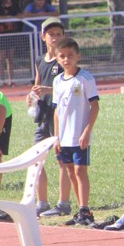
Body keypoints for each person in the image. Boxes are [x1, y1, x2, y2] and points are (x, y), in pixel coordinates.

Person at [51, 38, 100, 227]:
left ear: (78, 56)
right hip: (63, 137)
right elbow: (56, 111)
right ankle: (81, 210)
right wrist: (56, 136)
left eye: (70, 55)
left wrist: (87, 131)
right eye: (62, 56)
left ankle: (85, 209)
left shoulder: (85, 78)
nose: (66, 59)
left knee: (80, 171)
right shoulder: (57, 81)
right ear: (57, 59)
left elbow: (94, 106)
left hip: (79, 134)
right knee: (70, 171)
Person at [31, 18, 72, 217]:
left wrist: (48, 90)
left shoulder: (64, 59)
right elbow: (37, 85)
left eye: (58, 33)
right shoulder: (40, 60)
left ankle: (64, 202)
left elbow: (68, 83)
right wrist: (33, 96)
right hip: (43, 115)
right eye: (50, 34)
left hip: (58, 116)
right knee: (35, 158)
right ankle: (42, 202)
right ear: (43, 37)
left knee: (61, 159)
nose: (54, 37)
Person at [0, 0, 22, 86]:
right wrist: (8, 18)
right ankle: (3, 81)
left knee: (10, 59)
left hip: (10, 36)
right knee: (1, 59)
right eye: (6, 2)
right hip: (1, 36)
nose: (8, 4)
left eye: (10, 2)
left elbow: (20, 17)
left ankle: (11, 80)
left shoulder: (13, 11)